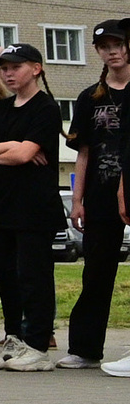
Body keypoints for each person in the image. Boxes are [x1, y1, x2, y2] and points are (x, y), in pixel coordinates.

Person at [0, 44, 61, 371]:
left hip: (33, 208)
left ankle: (36, 347)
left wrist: (10, 152)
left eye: (15, 67)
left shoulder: (46, 109)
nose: (7, 73)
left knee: (32, 277)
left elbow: (23, 157)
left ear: (36, 68)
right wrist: (12, 146)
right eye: (2, 68)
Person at [75, 20, 130, 371]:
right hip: (99, 196)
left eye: (117, 44)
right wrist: (77, 199)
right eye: (103, 46)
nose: (111, 51)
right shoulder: (89, 97)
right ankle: (85, 348)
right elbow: (83, 152)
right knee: (95, 272)